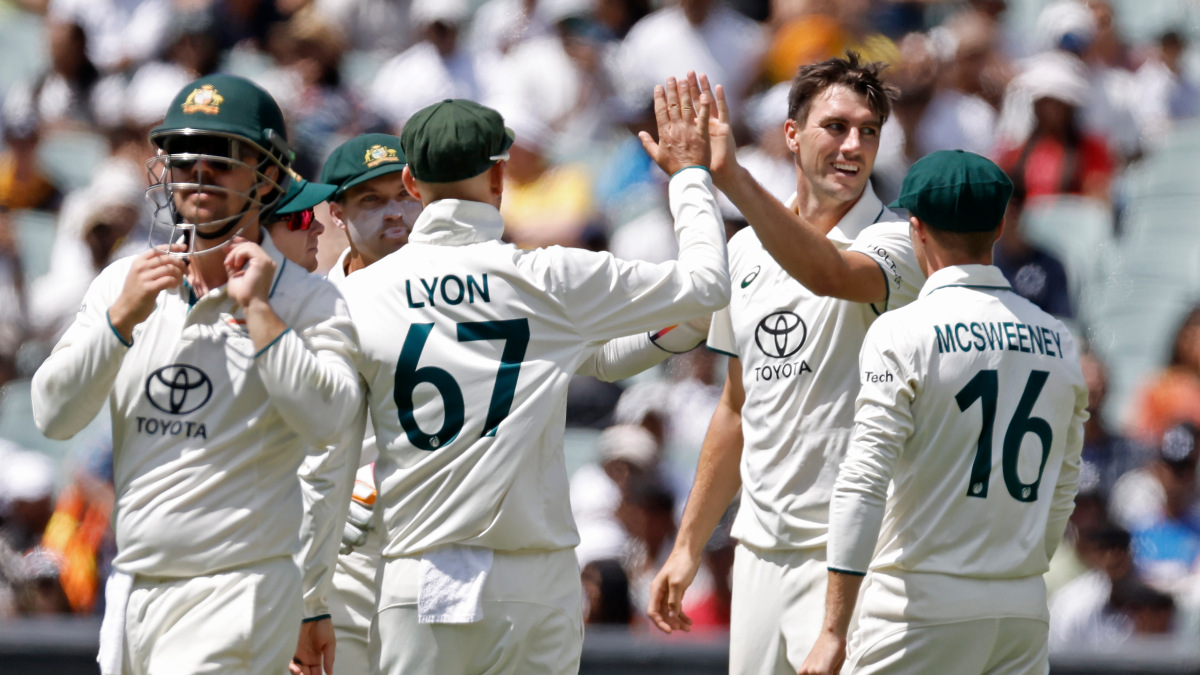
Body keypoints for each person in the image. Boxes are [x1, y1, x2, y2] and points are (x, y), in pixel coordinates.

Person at [340, 86, 729, 674]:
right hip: (535, 576)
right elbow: (705, 286)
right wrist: (690, 175)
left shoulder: (354, 295)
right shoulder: (547, 277)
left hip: (414, 573)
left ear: (413, 187)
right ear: (500, 179)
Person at [30, 74, 363, 675]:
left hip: (237, 588)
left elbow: (331, 421)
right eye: (184, 157)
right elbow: (53, 416)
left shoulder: (310, 301)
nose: (199, 172)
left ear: (266, 175)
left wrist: (261, 315)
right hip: (131, 587)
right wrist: (117, 323)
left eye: (222, 157)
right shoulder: (122, 286)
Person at [647, 56, 925, 675]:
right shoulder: (744, 249)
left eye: (869, 130)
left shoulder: (896, 241)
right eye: (836, 126)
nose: (854, 145)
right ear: (793, 135)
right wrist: (688, 545)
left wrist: (729, 176)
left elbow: (826, 273)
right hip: (756, 553)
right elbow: (737, 407)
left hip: (853, 560)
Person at [798, 150, 1088, 675]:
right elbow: (1064, 484)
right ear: (1000, 224)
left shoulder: (902, 330)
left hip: (917, 608)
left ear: (916, 229)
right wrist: (1017, 572)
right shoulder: (1060, 339)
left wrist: (833, 629)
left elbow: (862, 481)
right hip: (1020, 608)